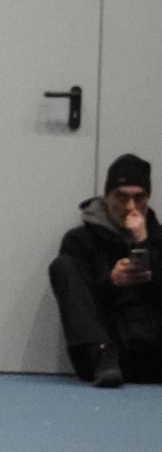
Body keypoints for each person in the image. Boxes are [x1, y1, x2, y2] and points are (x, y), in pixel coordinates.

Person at [48, 153, 161, 387]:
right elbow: (78, 303)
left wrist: (144, 244)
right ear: (106, 197)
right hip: (105, 356)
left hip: (154, 349)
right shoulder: (80, 240)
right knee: (63, 266)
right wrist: (111, 281)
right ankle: (101, 353)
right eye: (121, 198)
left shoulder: (158, 239)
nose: (131, 207)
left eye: (139, 198)